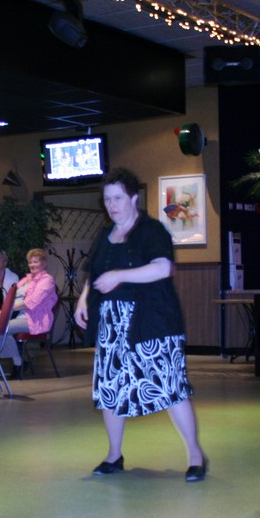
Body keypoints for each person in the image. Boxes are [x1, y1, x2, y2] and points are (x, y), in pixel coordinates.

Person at [74, 168, 207, 482]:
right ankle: (114, 455)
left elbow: (162, 268)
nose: (112, 205)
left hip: (151, 322)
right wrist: (83, 299)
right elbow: (95, 274)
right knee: (109, 388)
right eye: (107, 199)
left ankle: (195, 455)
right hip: (112, 325)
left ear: (134, 198)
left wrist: (120, 276)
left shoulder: (151, 230)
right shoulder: (104, 235)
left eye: (118, 198)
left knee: (170, 388)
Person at [0, 248, 58, 379]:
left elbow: (31, 302)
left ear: (44, 264)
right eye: (30, 262)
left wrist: (5, 310)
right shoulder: (26, 280)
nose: (32, 265)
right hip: (19, 317)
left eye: (36, 262)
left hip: (35, 320)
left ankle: (8, 363)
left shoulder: (47, 280)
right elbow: (11, 298)